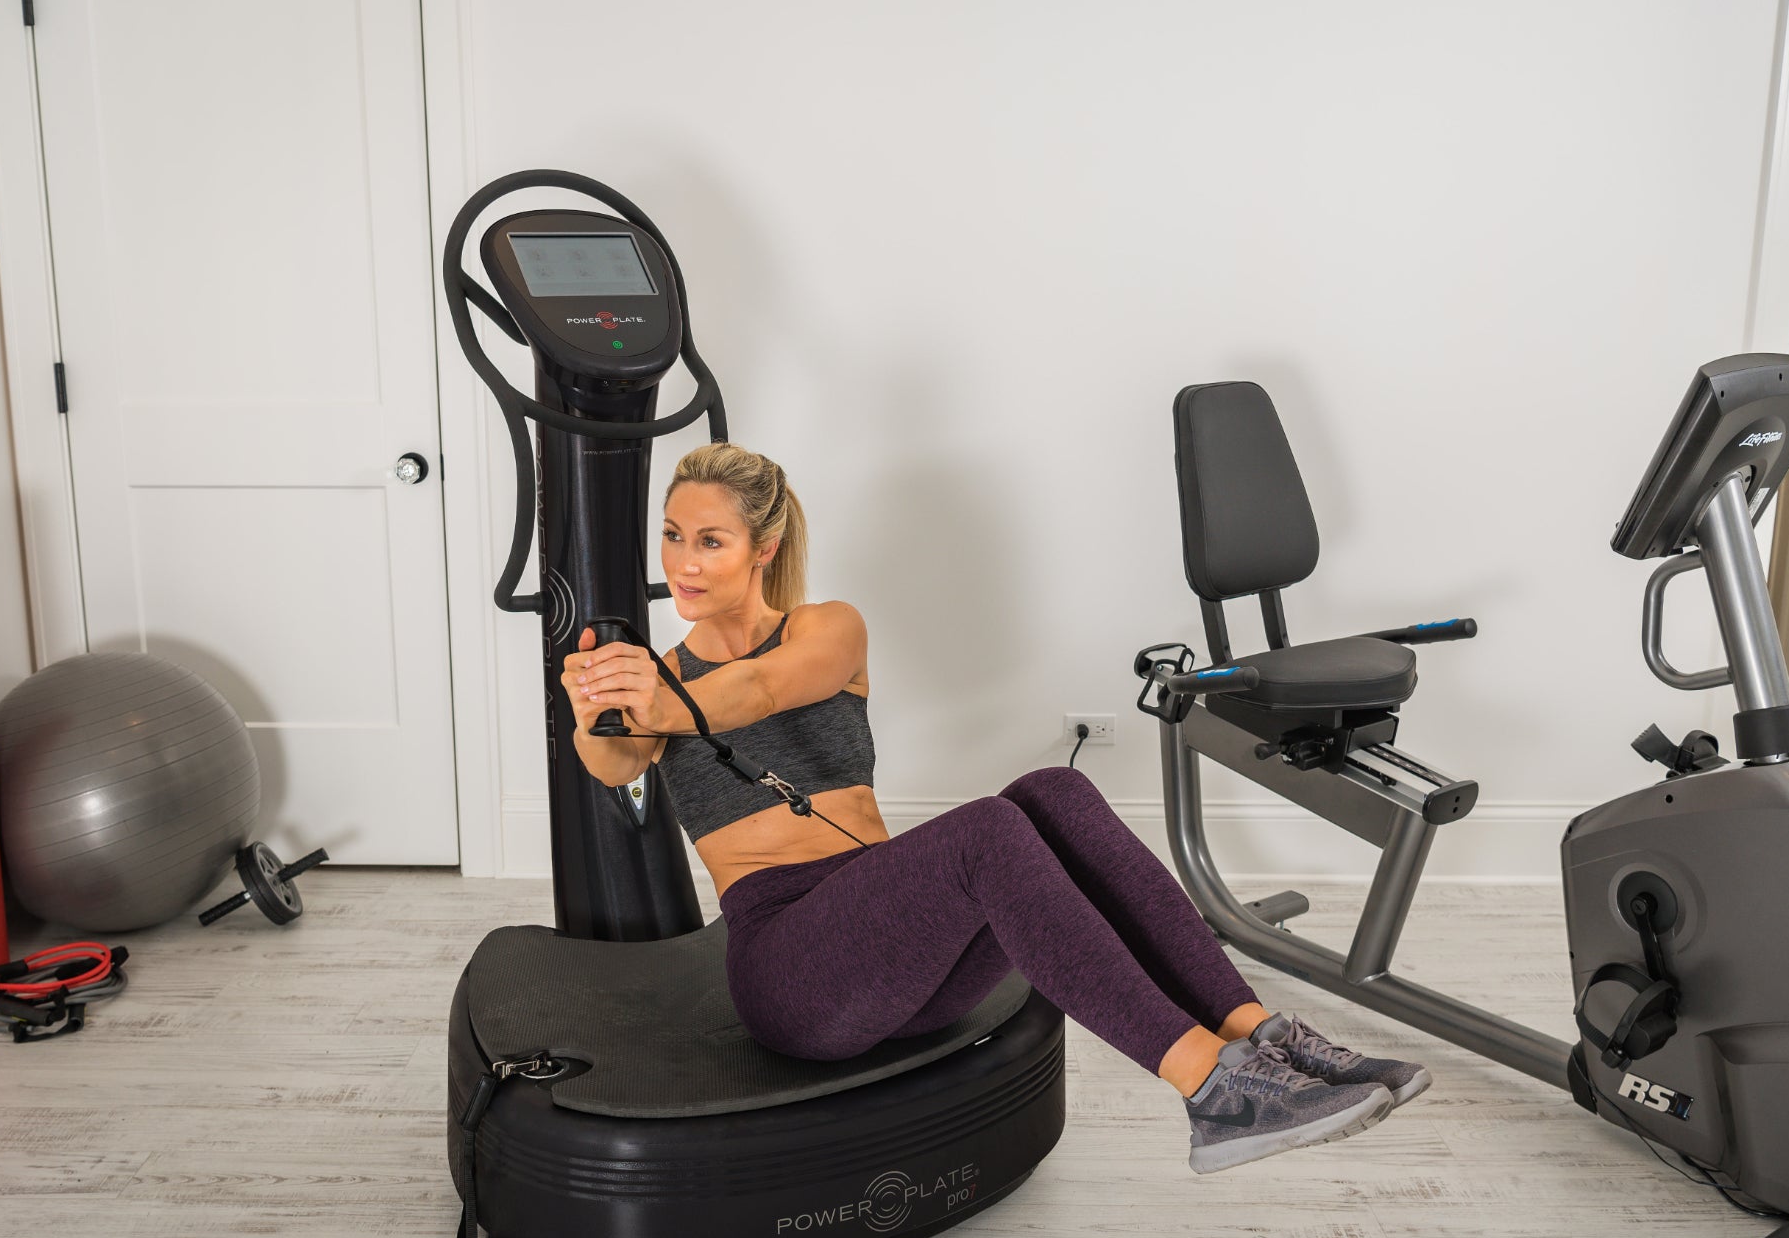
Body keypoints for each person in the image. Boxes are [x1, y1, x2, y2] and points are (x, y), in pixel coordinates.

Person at [561, 443, 1429, 1174]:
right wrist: (591, 704)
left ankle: (1266, 1037)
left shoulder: (827, 629)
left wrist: (667, 699)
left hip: (902, 960)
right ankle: (1213, 1089)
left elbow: (762, 686)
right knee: (983, 829)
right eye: (672, 536)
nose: (681, 562)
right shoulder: (655, 677)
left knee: (1056, 792)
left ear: (764, 544)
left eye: (709, 540)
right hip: (795, 974)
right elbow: (611, 761)